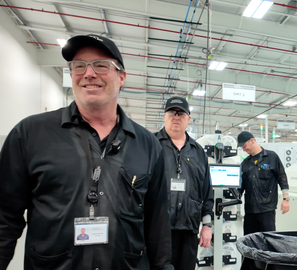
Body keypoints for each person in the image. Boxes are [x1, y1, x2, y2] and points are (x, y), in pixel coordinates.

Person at [0, 34, 173, 270]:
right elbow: (4, 218)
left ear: (121, 77)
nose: (88, 74)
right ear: (71, 74)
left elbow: (158, 223)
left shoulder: (148, 144)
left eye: (101, 66)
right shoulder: (30, 134)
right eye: (79, 66)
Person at [154, 96, 214, 270]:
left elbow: (206, 191)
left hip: (189, 229)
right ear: (164, 115)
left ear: (188, 119)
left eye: (181, 113)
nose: (176, 116)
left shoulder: (198, 152)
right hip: (158, 230)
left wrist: (207, 225)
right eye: (172, 112)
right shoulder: (151, 145)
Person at [237, 131, 290, 235]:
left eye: (244, 146)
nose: (243, 149)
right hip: (250, 211)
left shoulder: (271, 157)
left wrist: (286, 198)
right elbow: (240, 187)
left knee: (268, 240)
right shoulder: (245, 163)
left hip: (267, 210)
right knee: (249, 240)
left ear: (252, 141)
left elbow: (282, 177)